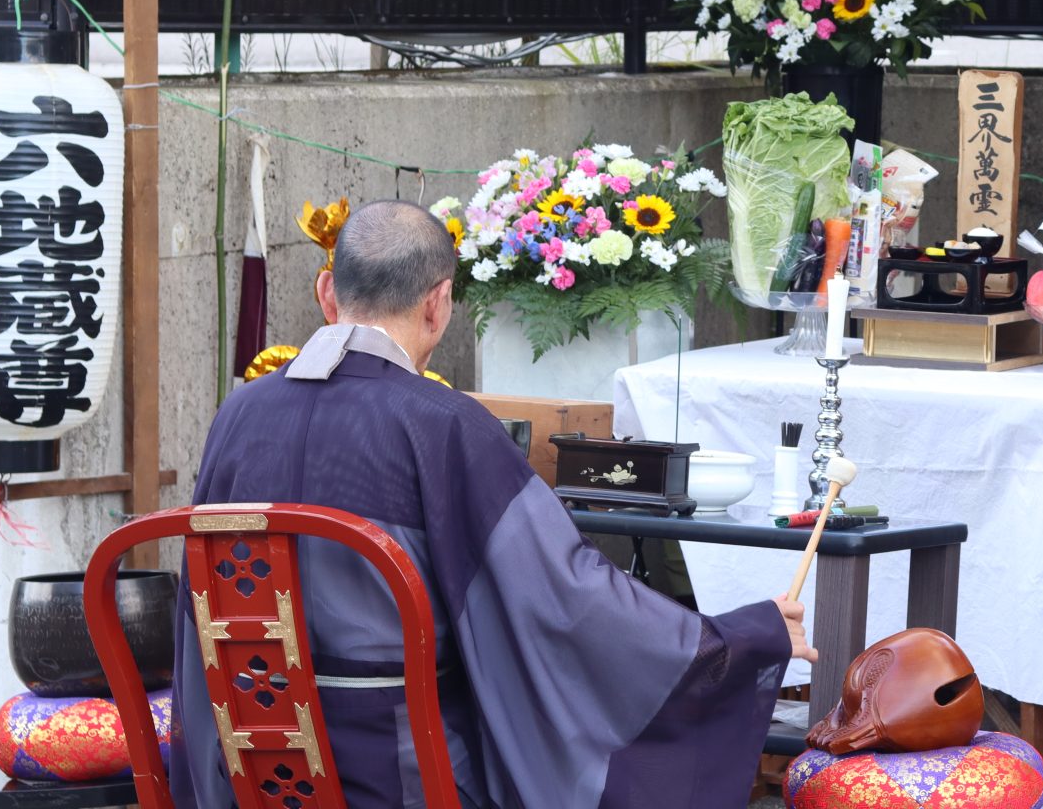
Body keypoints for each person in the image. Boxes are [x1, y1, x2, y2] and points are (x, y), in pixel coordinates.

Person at [170, 200, 814, 808]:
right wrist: (741, 637)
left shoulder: (239, 413)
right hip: (400, 777)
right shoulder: (442, 424)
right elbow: (570, 602)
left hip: (252, 766)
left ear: (326, 294)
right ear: (439, 303)